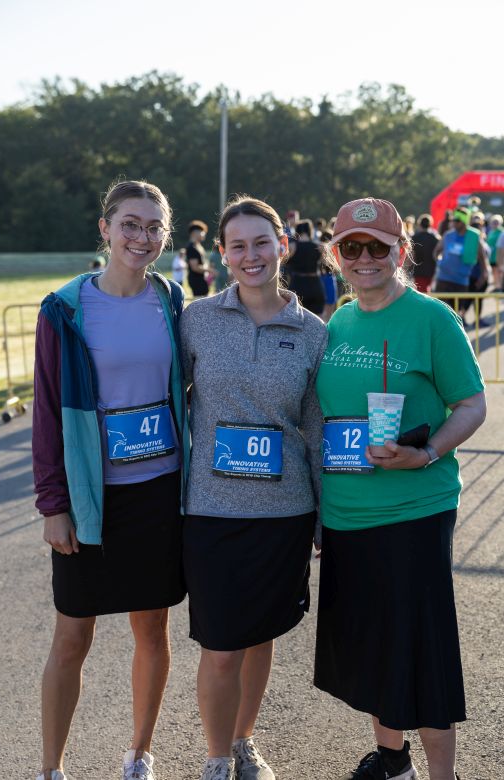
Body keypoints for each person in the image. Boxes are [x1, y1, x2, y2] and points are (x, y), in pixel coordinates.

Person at [314, 197, 486, 780]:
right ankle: (394, 763)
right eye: (351, 247)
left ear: (402, 251)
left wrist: (428, 451)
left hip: (414, 508)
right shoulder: (339, 321)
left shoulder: (433, 318)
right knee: (371, 648)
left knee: (422, 653)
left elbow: (472, 403)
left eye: (378, 247)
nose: (364, 258)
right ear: (336, 254)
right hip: (346, 512)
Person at [32, 179, 190, 780]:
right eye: (129, 224)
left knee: (152, 628)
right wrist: (53, 503)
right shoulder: (64, 308)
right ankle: (51, 768)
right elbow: (48, 412)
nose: (141, 237)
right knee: (73, 635)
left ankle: (139, 754)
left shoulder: (172, 300)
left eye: (153, 227)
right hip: (90, 495)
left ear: (164, 236)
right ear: (105, 229)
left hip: (158, 491)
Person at [180, 196, 328, 780]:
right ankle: (217, 760)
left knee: (261, 637)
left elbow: (316, 431)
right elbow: (169, 402)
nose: (251, 255)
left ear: (282, 245)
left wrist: (323, 518)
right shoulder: (195, 320)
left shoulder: (313, 332)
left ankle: (243, 742)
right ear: (222, 253)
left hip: (284, 515)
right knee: (221, 648)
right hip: (212, 512)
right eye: (238, 245)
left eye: (262, 242)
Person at [433, 206, 489, 324]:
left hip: (461, 282)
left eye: (457, 221)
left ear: (464, 222)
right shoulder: (448, 235)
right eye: (453, 220)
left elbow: (482, 258)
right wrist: (440, 264)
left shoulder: (474, 236)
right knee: (440, 312)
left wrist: (484, 273)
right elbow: (436, 251)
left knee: (456, 315)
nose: (454, 223)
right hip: (443, 280)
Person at [285, 218, 326, 315]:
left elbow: (283, 263)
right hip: (315, 284)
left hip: (297, 285)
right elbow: (324, 267)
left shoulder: (292, 247)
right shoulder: (319, 247)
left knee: (295, 319)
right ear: (310, 231)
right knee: (317, 318)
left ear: (297, 231)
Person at [409, 213, 439, 293]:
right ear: (430, 224)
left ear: (419, 224)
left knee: (422, 293)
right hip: (431, 271)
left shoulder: (415, 238)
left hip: (419, 271)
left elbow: (412, 256)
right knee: (428, 292)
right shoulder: (435, 238)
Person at [187, 219, 210, 297]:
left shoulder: (198, 246)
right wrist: (210, 270)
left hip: (201, 280)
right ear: (195, 233)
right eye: (202, 232)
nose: (204, 234)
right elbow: (195, 267)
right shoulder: (191, 248)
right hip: (197, 281)